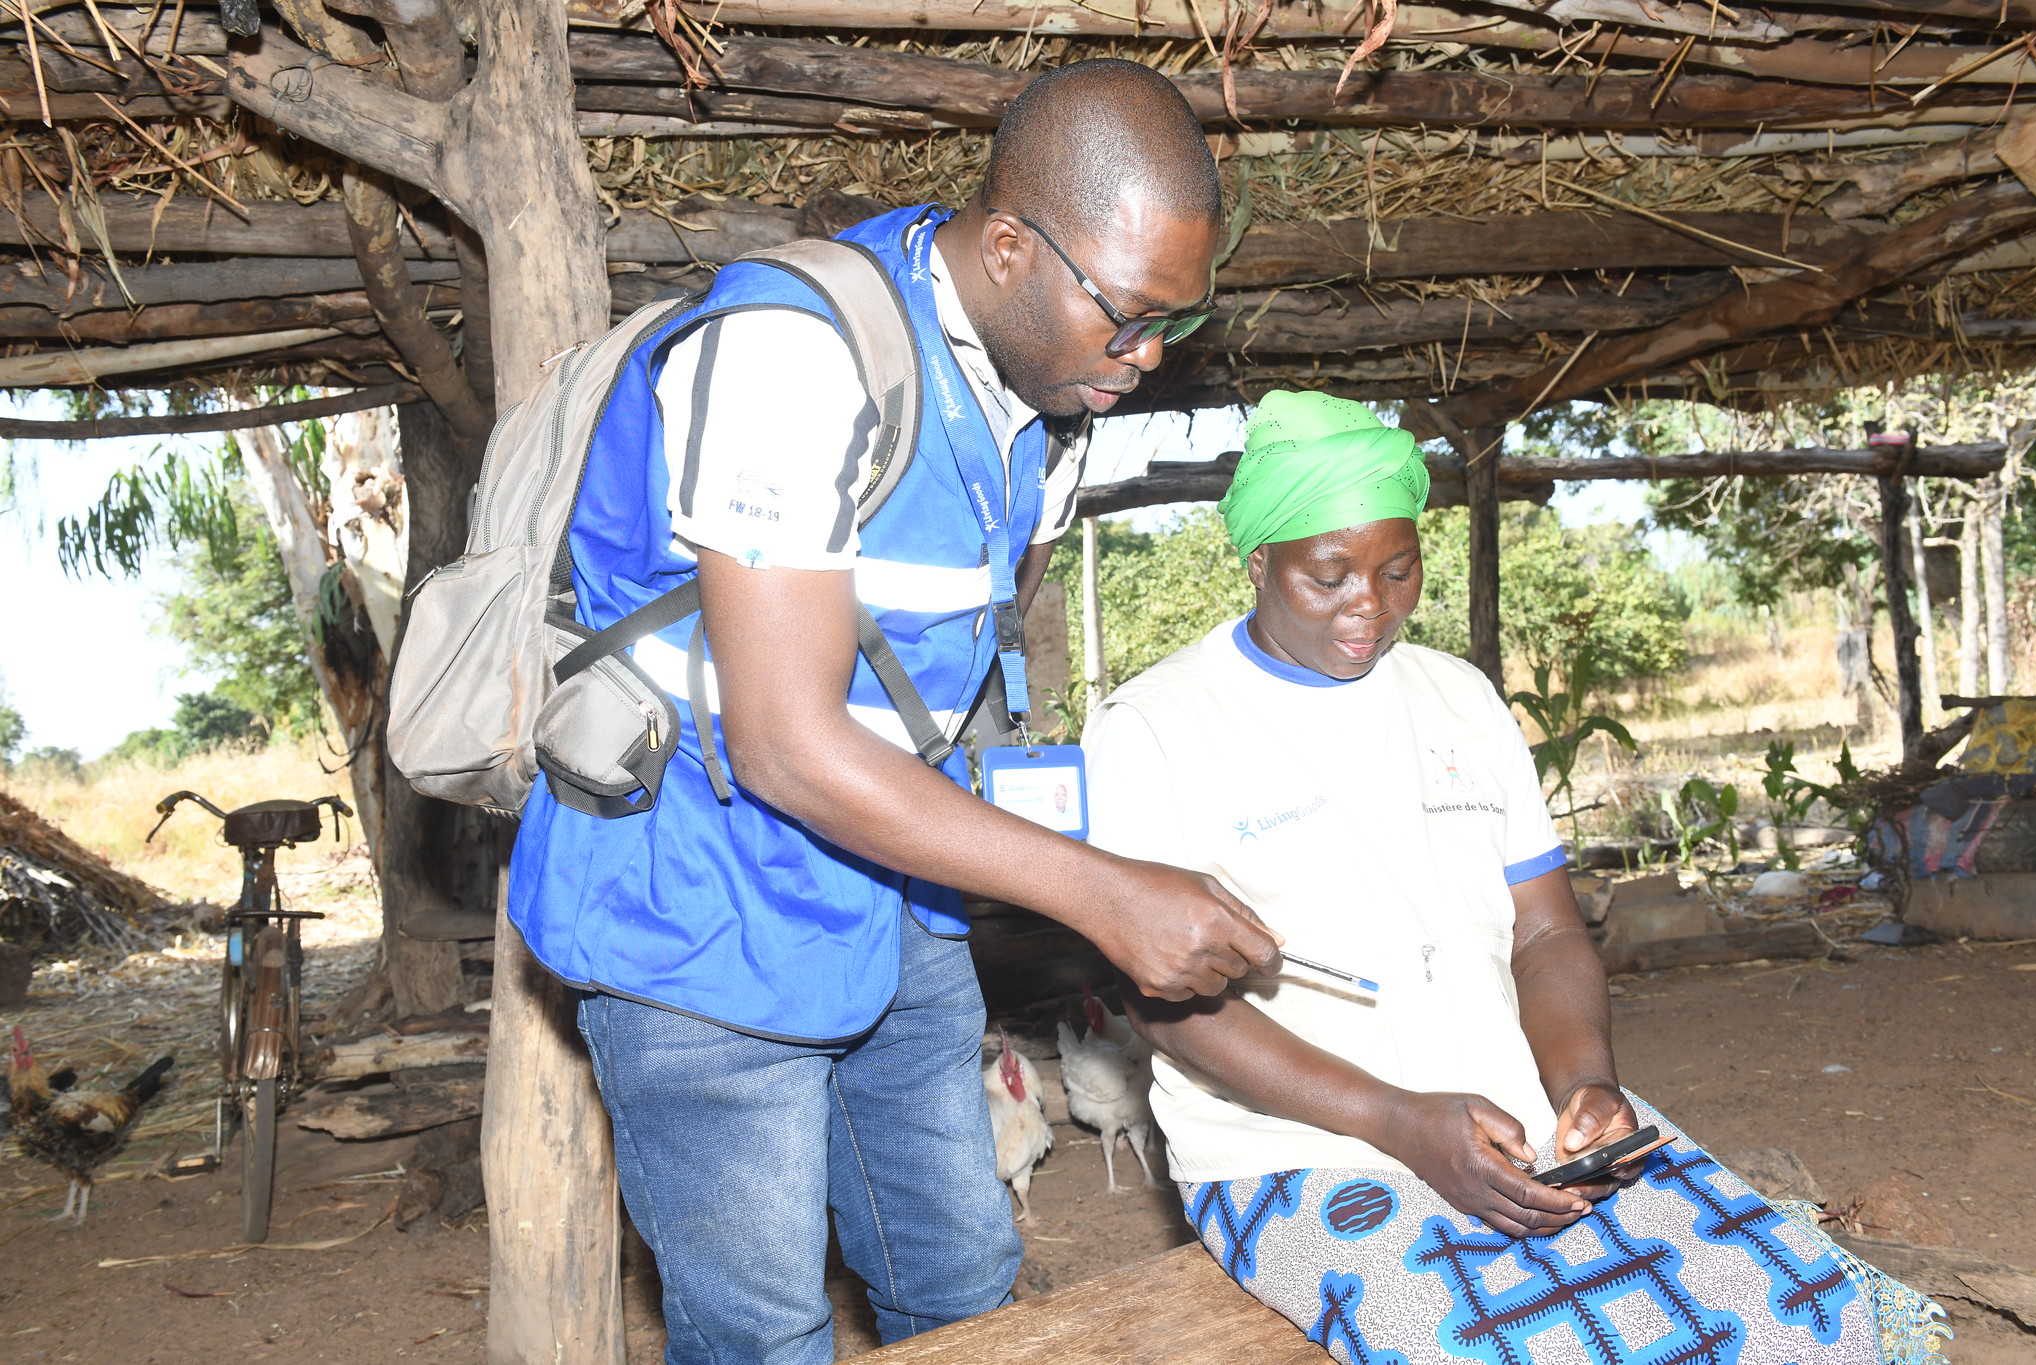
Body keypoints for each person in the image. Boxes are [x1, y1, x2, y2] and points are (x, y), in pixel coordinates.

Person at [507, 61, 1284, 1365]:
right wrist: (1101, 893)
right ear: (1009, 246)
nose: (1148, 360)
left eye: (1175, 325)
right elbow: (786, 742)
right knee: (761, 1325)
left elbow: (951, 685)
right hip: (695, 918)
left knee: (963, 1277)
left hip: (889, 898)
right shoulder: (790, 354)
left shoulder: (1048, 414)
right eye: (1131, 317)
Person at [1081, 390, 1949, 1365]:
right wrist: (1397, 1121)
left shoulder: (1457, 700)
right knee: (1528, 1347)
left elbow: (1542, 935)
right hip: (1294, 1154)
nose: (1367, 604)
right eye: (1326, 576)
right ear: (1257, 563)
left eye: (1396, 568)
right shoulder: (1158, 728)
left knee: (1803, 1313)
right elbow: (1166, 1008)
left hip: (1515, 1121)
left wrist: (1581, 1083)